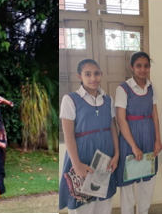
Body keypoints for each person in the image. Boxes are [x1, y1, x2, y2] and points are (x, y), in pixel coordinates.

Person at [58, 59, 119, 214]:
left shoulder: (108, 100)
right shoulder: (70, 99)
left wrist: (116, 155)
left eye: (97, 73)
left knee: (104, 203)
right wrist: (77, 164)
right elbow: (69, 135)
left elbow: (113, 127)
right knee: (83, 204)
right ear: (79, 76)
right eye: (88, 74)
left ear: (101, 75)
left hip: (105, 157)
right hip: (82, 157)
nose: (93, 78)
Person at [114, 52, 162, 214]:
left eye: (146, 66)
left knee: (147, 180)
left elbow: (155, 115)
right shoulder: (123, 88)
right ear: (131, 68)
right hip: (129, 138)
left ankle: (143, 211)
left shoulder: (151, 87)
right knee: (128, 182)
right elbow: (121, 120)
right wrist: (134, 146)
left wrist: (157, 139)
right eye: (139, 66)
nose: (143, 69)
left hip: (148, 136)